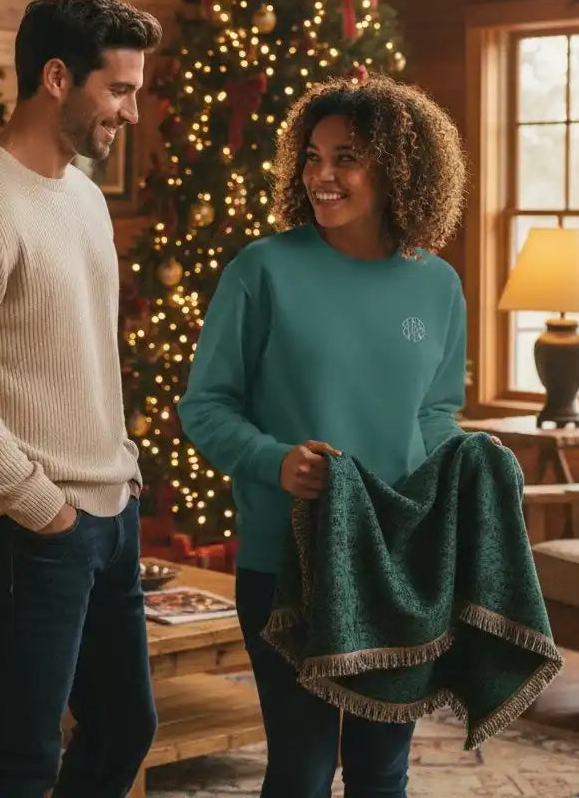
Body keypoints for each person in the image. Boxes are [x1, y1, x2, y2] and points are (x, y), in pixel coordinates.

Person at [177, 75, 468, 798]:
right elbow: (205, 407)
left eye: (347, 157)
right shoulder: (263, 269)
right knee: (304, 767)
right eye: (312, 156)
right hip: (286, 558)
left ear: (400, 168)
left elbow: (435, 413)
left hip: (397, 563)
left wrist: (463, 468)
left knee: (381, 770)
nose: (322, 176)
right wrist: (276, 462)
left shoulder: (437, 286)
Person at [0, 0, 163, 797]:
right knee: (21, 757)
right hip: (27, 529)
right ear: (57, 77)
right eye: (117, 90)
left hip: (108, 512)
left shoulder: (83, 197)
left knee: (126, 728)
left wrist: (115, 473)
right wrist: (39, 503)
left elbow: (79, 352)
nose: (129, 111)